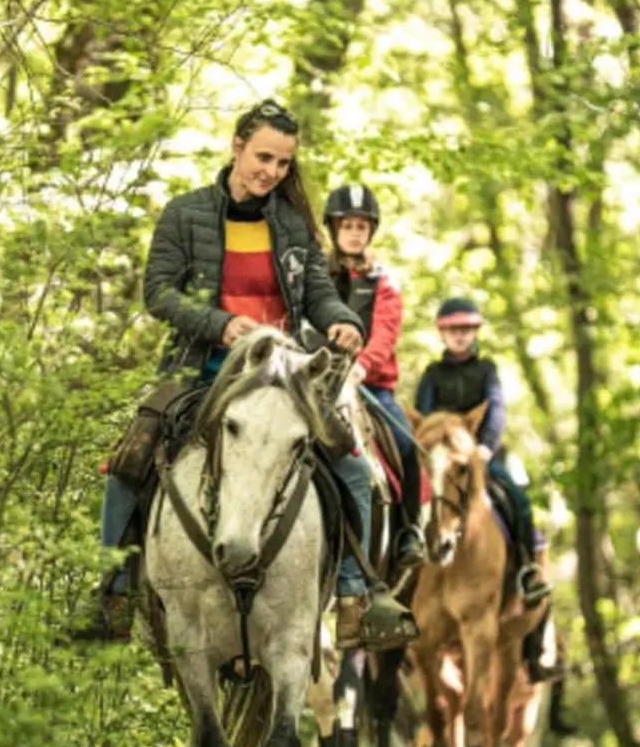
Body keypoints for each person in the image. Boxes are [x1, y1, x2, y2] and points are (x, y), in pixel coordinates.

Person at [74, 99, 418, 651]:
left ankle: (357, 597)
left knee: (354, 464)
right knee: (129, 460)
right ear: (237, 148)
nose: (272, 172)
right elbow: (157, 292)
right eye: (263, 158)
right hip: (201, 370)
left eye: (283, 164)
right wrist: (219, 324)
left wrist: (344, 322)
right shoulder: (184, 214)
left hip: (283, 377)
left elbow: (319, 296)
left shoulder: (293, 225)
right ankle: (111, 595)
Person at [414, 297, 556, 679]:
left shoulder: (487, 370)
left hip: (483, 453)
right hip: (444, 457)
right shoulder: (432, 374)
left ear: (474, 333)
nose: (459, 337)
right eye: (452, 331)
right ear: (443, 334)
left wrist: (485, 446)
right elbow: (424, 415)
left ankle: (526, 566)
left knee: (517, 496)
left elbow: (497, 408)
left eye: (465, 331)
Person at [322, 183, 425, 569]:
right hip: (317, 380)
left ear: (370, 233)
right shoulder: (317, 275)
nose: (353, 232)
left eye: (361, 227)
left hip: (369, 387)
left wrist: (361, 367)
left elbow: (385, 331)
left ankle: (409, 531)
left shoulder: (384, 281)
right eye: (346, 225)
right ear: (334, 229)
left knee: (406, 444)